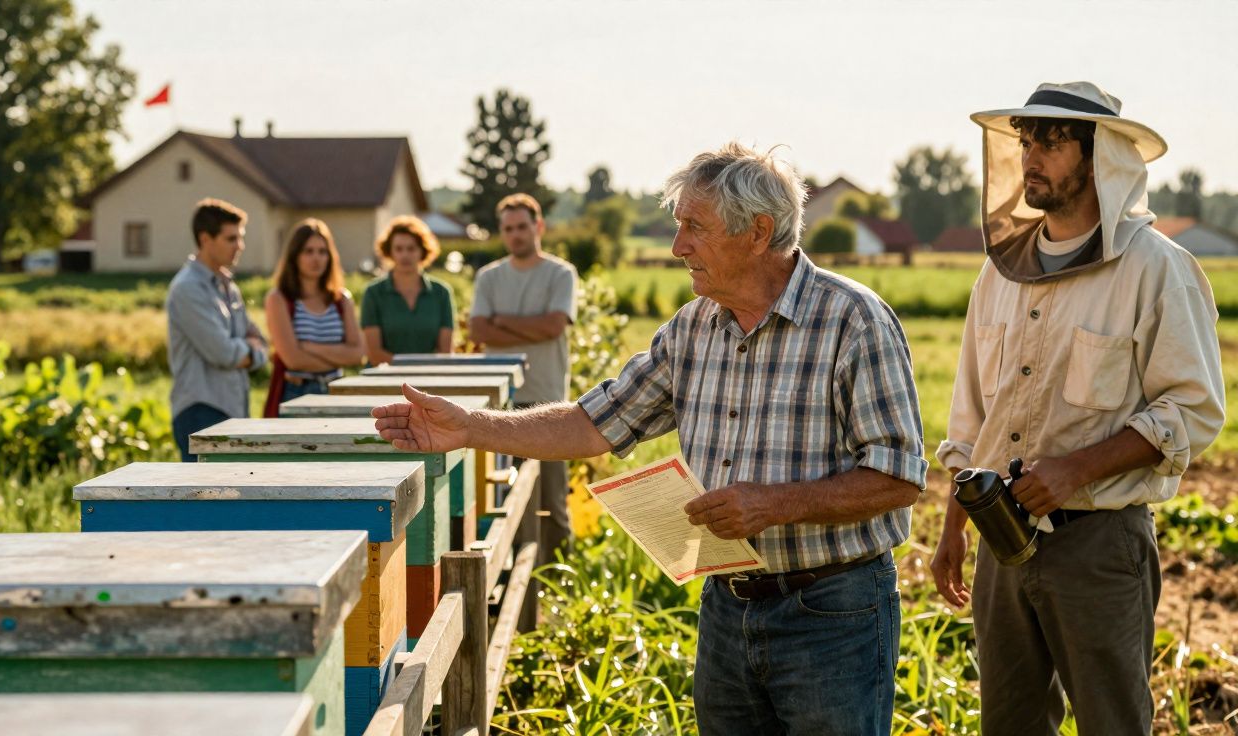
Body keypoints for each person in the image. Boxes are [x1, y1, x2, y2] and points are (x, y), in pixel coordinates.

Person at [375, 143, 927, 735]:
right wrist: (473, 428)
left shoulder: (853, 321)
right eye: (678, 226)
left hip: (833, 612)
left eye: (695, 227)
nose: (677, 247)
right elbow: (592, 423)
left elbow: (899, 478)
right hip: (727, 605)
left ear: (758, 232)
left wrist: (774, 503)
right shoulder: (693, 329)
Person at [929, 82, 1225, 735]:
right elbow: (971, 412)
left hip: (1100, 542)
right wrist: (953, 526)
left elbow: (1193, 409)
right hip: (998, 541)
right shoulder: (999, 270)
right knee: (1010, 722)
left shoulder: (1155, 269)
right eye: (1026, 139)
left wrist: (1074, 470)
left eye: (1052, 141)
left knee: (1111, 722)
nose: (1031, 154)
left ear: (1103, 158)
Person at [468, 193, 578, 562]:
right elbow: (479, 331)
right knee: (499, 499)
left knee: (551, 500)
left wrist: (501, 323)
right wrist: (528, 328)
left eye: (522, 227)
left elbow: (553, 325)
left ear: (539, 226)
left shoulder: (560, 273)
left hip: (548, 400)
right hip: (497, 403)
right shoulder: (489, 277)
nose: (516, 235)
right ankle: (510, 570)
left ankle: (557, 577)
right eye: (508, 228)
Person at [165, 198, 268, 462]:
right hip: (201, 412)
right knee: (205, 502)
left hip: (233, 411)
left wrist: (251, 351)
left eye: (240, 238)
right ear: (205, 239)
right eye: (231, 238)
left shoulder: (228, 287)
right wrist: (252, 352)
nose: (240, 246)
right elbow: (223, 353)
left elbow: (260, 340)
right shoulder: (188, 288)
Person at [262, 218, 366, 416]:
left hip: (336, 392)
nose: (316, 258)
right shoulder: (279, 299)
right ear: (295, 256)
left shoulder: (341, 299)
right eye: (308, 251)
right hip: (296, 392)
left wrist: (310, 347)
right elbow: (293, 360)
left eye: (322, 251)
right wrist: (337, 358)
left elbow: (357, 354)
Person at [360, 215, 455, 365]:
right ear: (389, 252)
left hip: (427, 381)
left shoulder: (441, 293)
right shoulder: (373, 293)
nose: (405, 255)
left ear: (422, 251)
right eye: (398, 249)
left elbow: (444, 352)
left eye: (411, 248)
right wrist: (409, 372)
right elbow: (374, 354)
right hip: (382, 381)